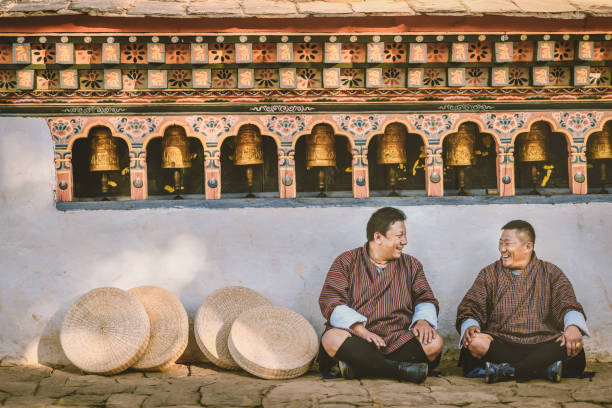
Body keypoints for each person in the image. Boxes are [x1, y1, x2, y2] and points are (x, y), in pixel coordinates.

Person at [318, 207, 443, 383]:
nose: (405, 242)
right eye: (399, 236)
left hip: (397, 337)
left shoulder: (412, 265)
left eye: (405, 236)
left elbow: (426, 298)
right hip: (357, 337)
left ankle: (360, 366)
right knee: (331, 339)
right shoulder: (346, 261)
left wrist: (423, 321)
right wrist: (360, 330)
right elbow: (331, 300)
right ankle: (399, 370)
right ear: (378, 237)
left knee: (434, 343)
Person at [456, 220, 589, 383]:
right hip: (501, 343)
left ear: (528, 246)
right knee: (475, 342)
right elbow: (471, 305)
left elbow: (567, 303)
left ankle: (509, 371)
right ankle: (543, 370)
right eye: (500, 243)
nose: (502, 249)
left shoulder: (550, 272)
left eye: (507, 244)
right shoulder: (489, 274)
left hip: (543, 343)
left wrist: (573, 327)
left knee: (575, 343)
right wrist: (470, 325)